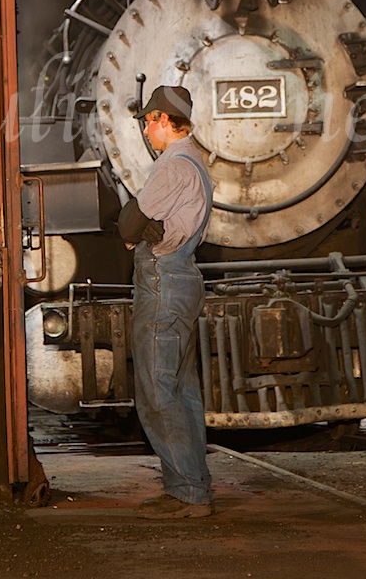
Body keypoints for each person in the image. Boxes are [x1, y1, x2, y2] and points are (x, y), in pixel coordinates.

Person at [117, 85, 214, 520]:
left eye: (147, 122)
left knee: (157, 391)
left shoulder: (173, 165)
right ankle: (187, 486)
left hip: (162, 280)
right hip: (181, 277)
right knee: (182, 389)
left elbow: (129, 221)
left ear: (160, 119)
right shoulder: (195, 161)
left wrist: (133, 232)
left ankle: (189, 490)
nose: (145, 130)